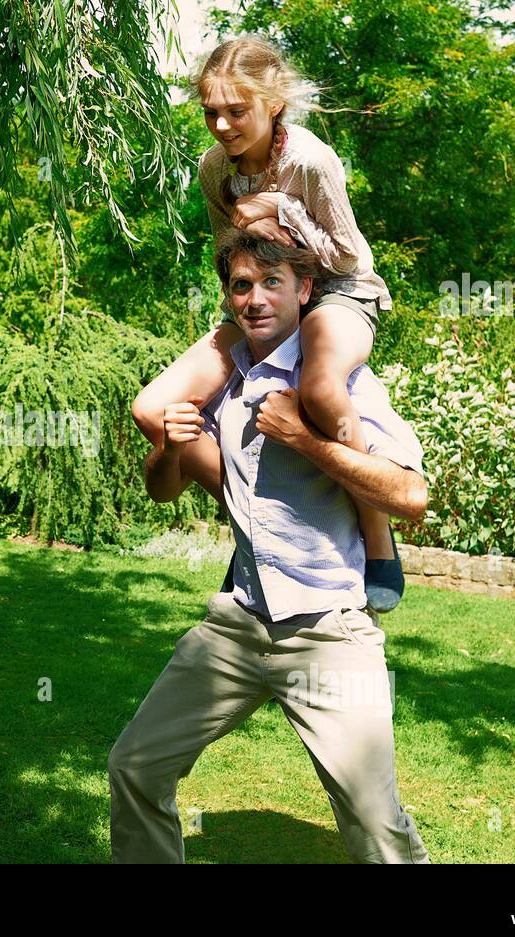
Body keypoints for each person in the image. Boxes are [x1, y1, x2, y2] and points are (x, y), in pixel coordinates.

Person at [108, 231, 430, 864]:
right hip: (237, 624)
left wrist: (306, 440)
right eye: (241, 286)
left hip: (327, 632)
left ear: (304, 290)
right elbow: (162, 492)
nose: (255, 299)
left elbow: (410, 496)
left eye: (271, 283)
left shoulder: (343, 384)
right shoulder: (226, 384)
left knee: (372, 820)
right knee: (135, 766)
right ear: (229, 298)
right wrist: (169, 445)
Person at [130, 35, 405, 611]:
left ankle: (379, 546)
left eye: (237, 111)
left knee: (322, 387)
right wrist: (251, 283)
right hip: (267, 296)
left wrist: (284, 213)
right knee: (151, 410)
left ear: (273, 103)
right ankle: (253, 532)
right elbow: (232, 255)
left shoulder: (309, 159)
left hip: (337, 293)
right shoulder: (214, 170)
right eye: (211, 112)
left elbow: (348, 256)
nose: (223, 125)